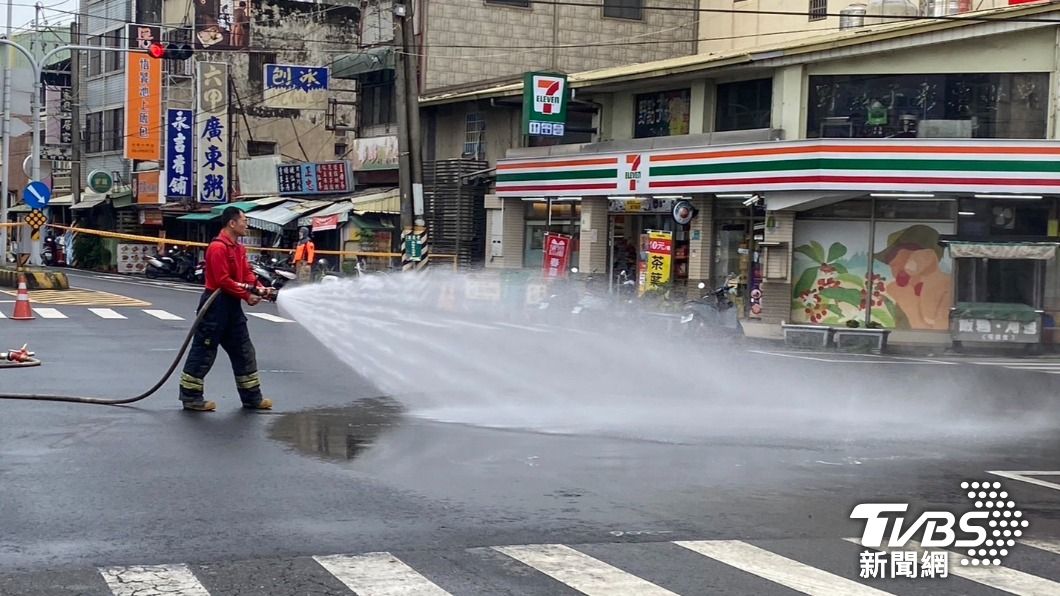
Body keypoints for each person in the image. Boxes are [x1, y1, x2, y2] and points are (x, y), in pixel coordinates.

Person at [179, 207, 274, 412]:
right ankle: (191, 397)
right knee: (204, 352)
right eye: (244, 220)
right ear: (232, 223)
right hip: (214, 306)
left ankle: (252, 397)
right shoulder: (217, 248)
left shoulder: (238, 248)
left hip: (231, 306)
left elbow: (246, 274)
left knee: (244, 350)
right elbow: (223, 281)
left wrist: (259, 288)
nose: (246, 224)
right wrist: (247, 295)